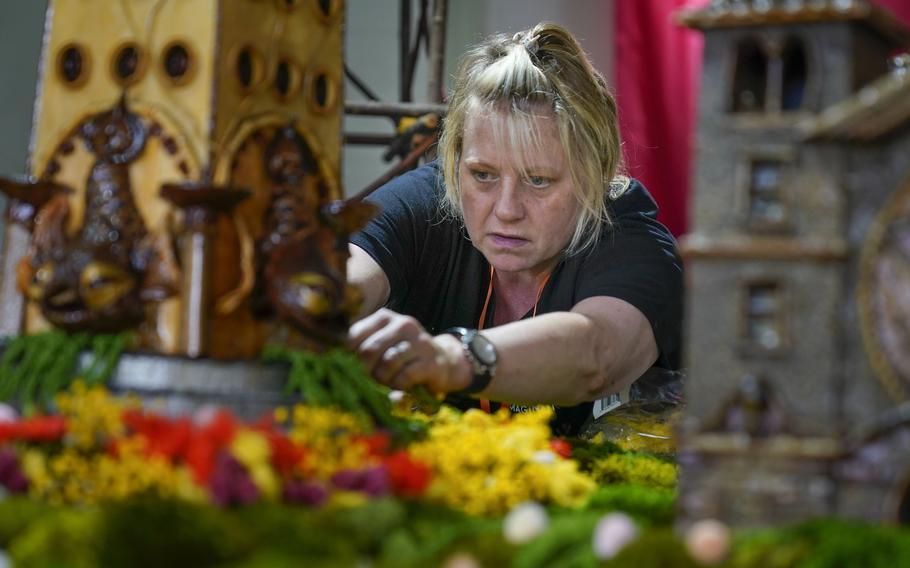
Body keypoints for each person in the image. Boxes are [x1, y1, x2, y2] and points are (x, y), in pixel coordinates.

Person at [347, 22, 682, 435]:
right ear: (455, 163)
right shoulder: (427, 201)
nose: (506, 210)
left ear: (594, 174)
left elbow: (594, 355)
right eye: (483, 175)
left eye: (538, 180)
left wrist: (451, 358)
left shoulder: (632, 242)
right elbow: (337, 277)